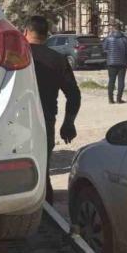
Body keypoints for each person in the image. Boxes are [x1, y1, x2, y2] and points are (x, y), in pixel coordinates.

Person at [24, 15, 81, 204]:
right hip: (45, 122)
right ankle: (46, 212)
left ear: (25, 32)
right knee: (42, 171)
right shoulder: (57, 59)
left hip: (15, 122)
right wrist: (68, 123)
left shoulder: (16, 57)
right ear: (46, 35)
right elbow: (73, 94)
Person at [102, 23, 127, 104]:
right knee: (121, 81)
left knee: (111, 81)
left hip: (111, 62)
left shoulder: (108, 39)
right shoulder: (125, 39)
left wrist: (109, 55)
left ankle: (110, 99)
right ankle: (119, 99)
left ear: (113, 29)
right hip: (123, 62)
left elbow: (104, 49)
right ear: (121, 29)